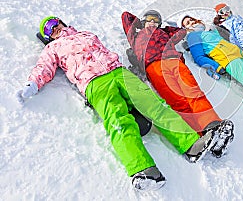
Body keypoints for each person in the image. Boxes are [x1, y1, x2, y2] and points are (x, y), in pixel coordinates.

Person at [16, 16, 225, 191]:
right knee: (118, 121)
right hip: (94, 83)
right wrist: (33, 84)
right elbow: (44, 67)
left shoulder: (85, 34)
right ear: (46, 37)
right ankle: (142, 168)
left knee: (155, 106)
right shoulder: (52, 48)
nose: (55, 28)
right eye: (49, 29)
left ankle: (191, 144)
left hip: (118, 72)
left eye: (56, 22)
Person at [121, 10, 234, 158]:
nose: (153, 21)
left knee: (193, 92)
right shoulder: (136, 36)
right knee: (177, 101)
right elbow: (125, 17)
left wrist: (165, 28)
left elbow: (180, 32)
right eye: (150, 19)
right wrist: (141, 24)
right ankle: (201, 136)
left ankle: (212, 125)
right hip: (154, 67)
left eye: (156, 19)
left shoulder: (164, 33)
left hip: (174, 61)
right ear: (143, 20)